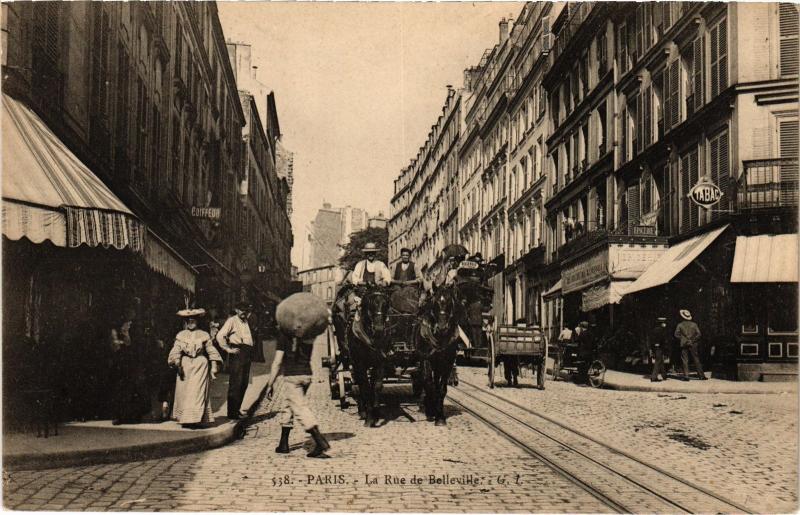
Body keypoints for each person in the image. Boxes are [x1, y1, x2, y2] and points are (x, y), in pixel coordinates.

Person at [266, 293, 331, 458]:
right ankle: (283, 443)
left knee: (300, 408)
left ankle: (319, 440)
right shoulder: (310, 335)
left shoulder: (283, 337)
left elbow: (277, 363)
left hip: (292, 378)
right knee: (290, 405)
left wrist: (270, 383)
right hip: (307, 376)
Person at [168, 308, 222, 428]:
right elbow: (176, 351)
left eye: (193, 321)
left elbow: (211, 350)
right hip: (185, 365)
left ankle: (196, 419)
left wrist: (213, 366)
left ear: (197, 321)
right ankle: (186, 419)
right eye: (188, 321)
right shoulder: (181, 335)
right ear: (185, 322)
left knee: (197, 392)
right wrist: (178, 363)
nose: (191, 323)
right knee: (185, 393)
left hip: (200, 365)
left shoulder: (204, 334)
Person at [109, 308, 151, 425]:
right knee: (120, 389)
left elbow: (136, 344)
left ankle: (133, 416)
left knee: (134, 389)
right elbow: (115, 346)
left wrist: (127, 338)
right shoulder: (115, 330)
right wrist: (125, 340)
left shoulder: (134, 329)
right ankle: (118, 416)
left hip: (132, 363)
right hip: (120, 363)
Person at [216, 301, 255, 419]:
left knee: (243, 383)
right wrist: (228, 349)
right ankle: (232, 413)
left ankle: (237, 409)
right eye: (241, 309)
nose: (244, 312)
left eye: (246, 310)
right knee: (236, 383)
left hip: (246, 353)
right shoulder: (232, 321)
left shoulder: (246, 321)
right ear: (237, 310)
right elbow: (220, 335)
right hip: (237, 353)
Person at [674, 309, 707, 381]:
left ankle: (686, 376)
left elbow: (676, 335)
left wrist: (683, 339)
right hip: (693, 344)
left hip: (684, 344)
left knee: (685, 360)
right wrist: (692, 340)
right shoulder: (694, 324)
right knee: (696, 359)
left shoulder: (680, 325)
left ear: (682, 317)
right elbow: (699, 334)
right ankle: (701, 376)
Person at [649, 317, 670, 382]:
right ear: (662, 323)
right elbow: (663, 339)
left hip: (655, 347)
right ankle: (654, 377)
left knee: (660, 361)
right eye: (664, 323)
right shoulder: (662, 330)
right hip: (660, 347)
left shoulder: (654, 329)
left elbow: (651, 339)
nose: (665, 324)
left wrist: (652, 347)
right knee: (658, 361)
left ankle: (664, 375)